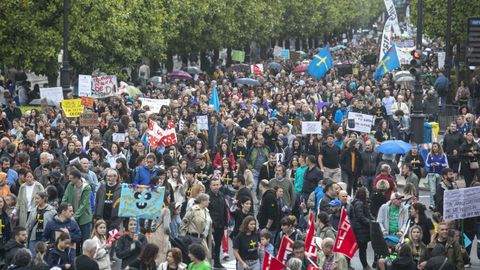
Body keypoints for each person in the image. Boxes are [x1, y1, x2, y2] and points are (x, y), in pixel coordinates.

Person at [62, 169, 93, 244]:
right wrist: (63, 210)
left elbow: (84, 204)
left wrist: (75, 216)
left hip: (84, 218)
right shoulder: (70, 185)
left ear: (77, 178)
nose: (70, 180)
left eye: (71, 178)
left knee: (85, 240)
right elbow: (65, 197)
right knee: (74, 240)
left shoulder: (86, 187)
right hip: (71, 215)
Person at [179, 193, 213, 262]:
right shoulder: (193, 209)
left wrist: (211, 237)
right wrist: (182, 235)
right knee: (196, 258)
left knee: (206, 256)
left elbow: (208, 225)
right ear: (202, 201)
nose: (209, 202)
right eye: (207, 200)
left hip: (202, 238)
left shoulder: (206, 211)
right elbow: (184, 222)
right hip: (193, 238)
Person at [350, 187, 374, 270]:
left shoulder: (363, 202)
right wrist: (370, 222)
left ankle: (364, 265)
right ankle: (365, 266)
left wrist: (373, 220)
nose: (368, 193)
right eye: (366, 192)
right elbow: (360, 217)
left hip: (362, 231)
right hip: (360, 231)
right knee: (361, 249)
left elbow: (368, 214)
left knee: (361, 249)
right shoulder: (359, 203)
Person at [26, 191, 56, 256]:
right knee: (33, 256)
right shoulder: (33, 211)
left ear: (43, 199)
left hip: (45, 238)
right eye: (35, 198)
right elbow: (28, 225)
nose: (36, 200)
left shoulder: (52, 211)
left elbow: (54, 226)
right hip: (34, 237)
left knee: (44, 257)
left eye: (38, 198)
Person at [207, 178, 228, 269]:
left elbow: (224, 209)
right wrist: (210, 226)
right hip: (212, 225)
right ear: (210, 186)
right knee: (209, 246)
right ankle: (208, 263)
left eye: (217, 185)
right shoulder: (207, 197)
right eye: (214, 185)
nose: (216, 187)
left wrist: (225, 223)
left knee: (218, 244)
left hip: (220, 224)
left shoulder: (221, 195)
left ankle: (217, 262)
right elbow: (207, 212)